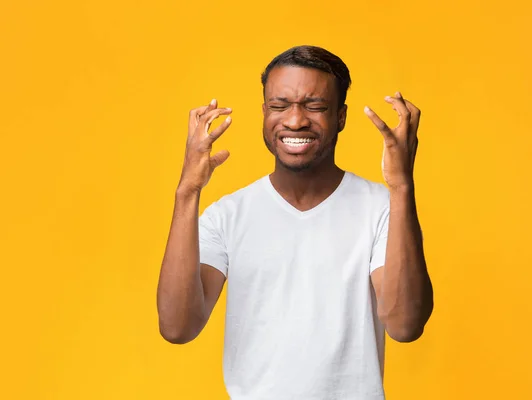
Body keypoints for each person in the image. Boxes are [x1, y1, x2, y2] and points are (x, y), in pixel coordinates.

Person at [157, 45, 434, 400]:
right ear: (264, 112)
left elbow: (405, 324)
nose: (294, 120)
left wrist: (401, 186)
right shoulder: (228, 215)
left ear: (341, 117)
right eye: (279, 105)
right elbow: (178, 327)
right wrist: (187, 192)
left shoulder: (381, 207)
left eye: (315, 106)